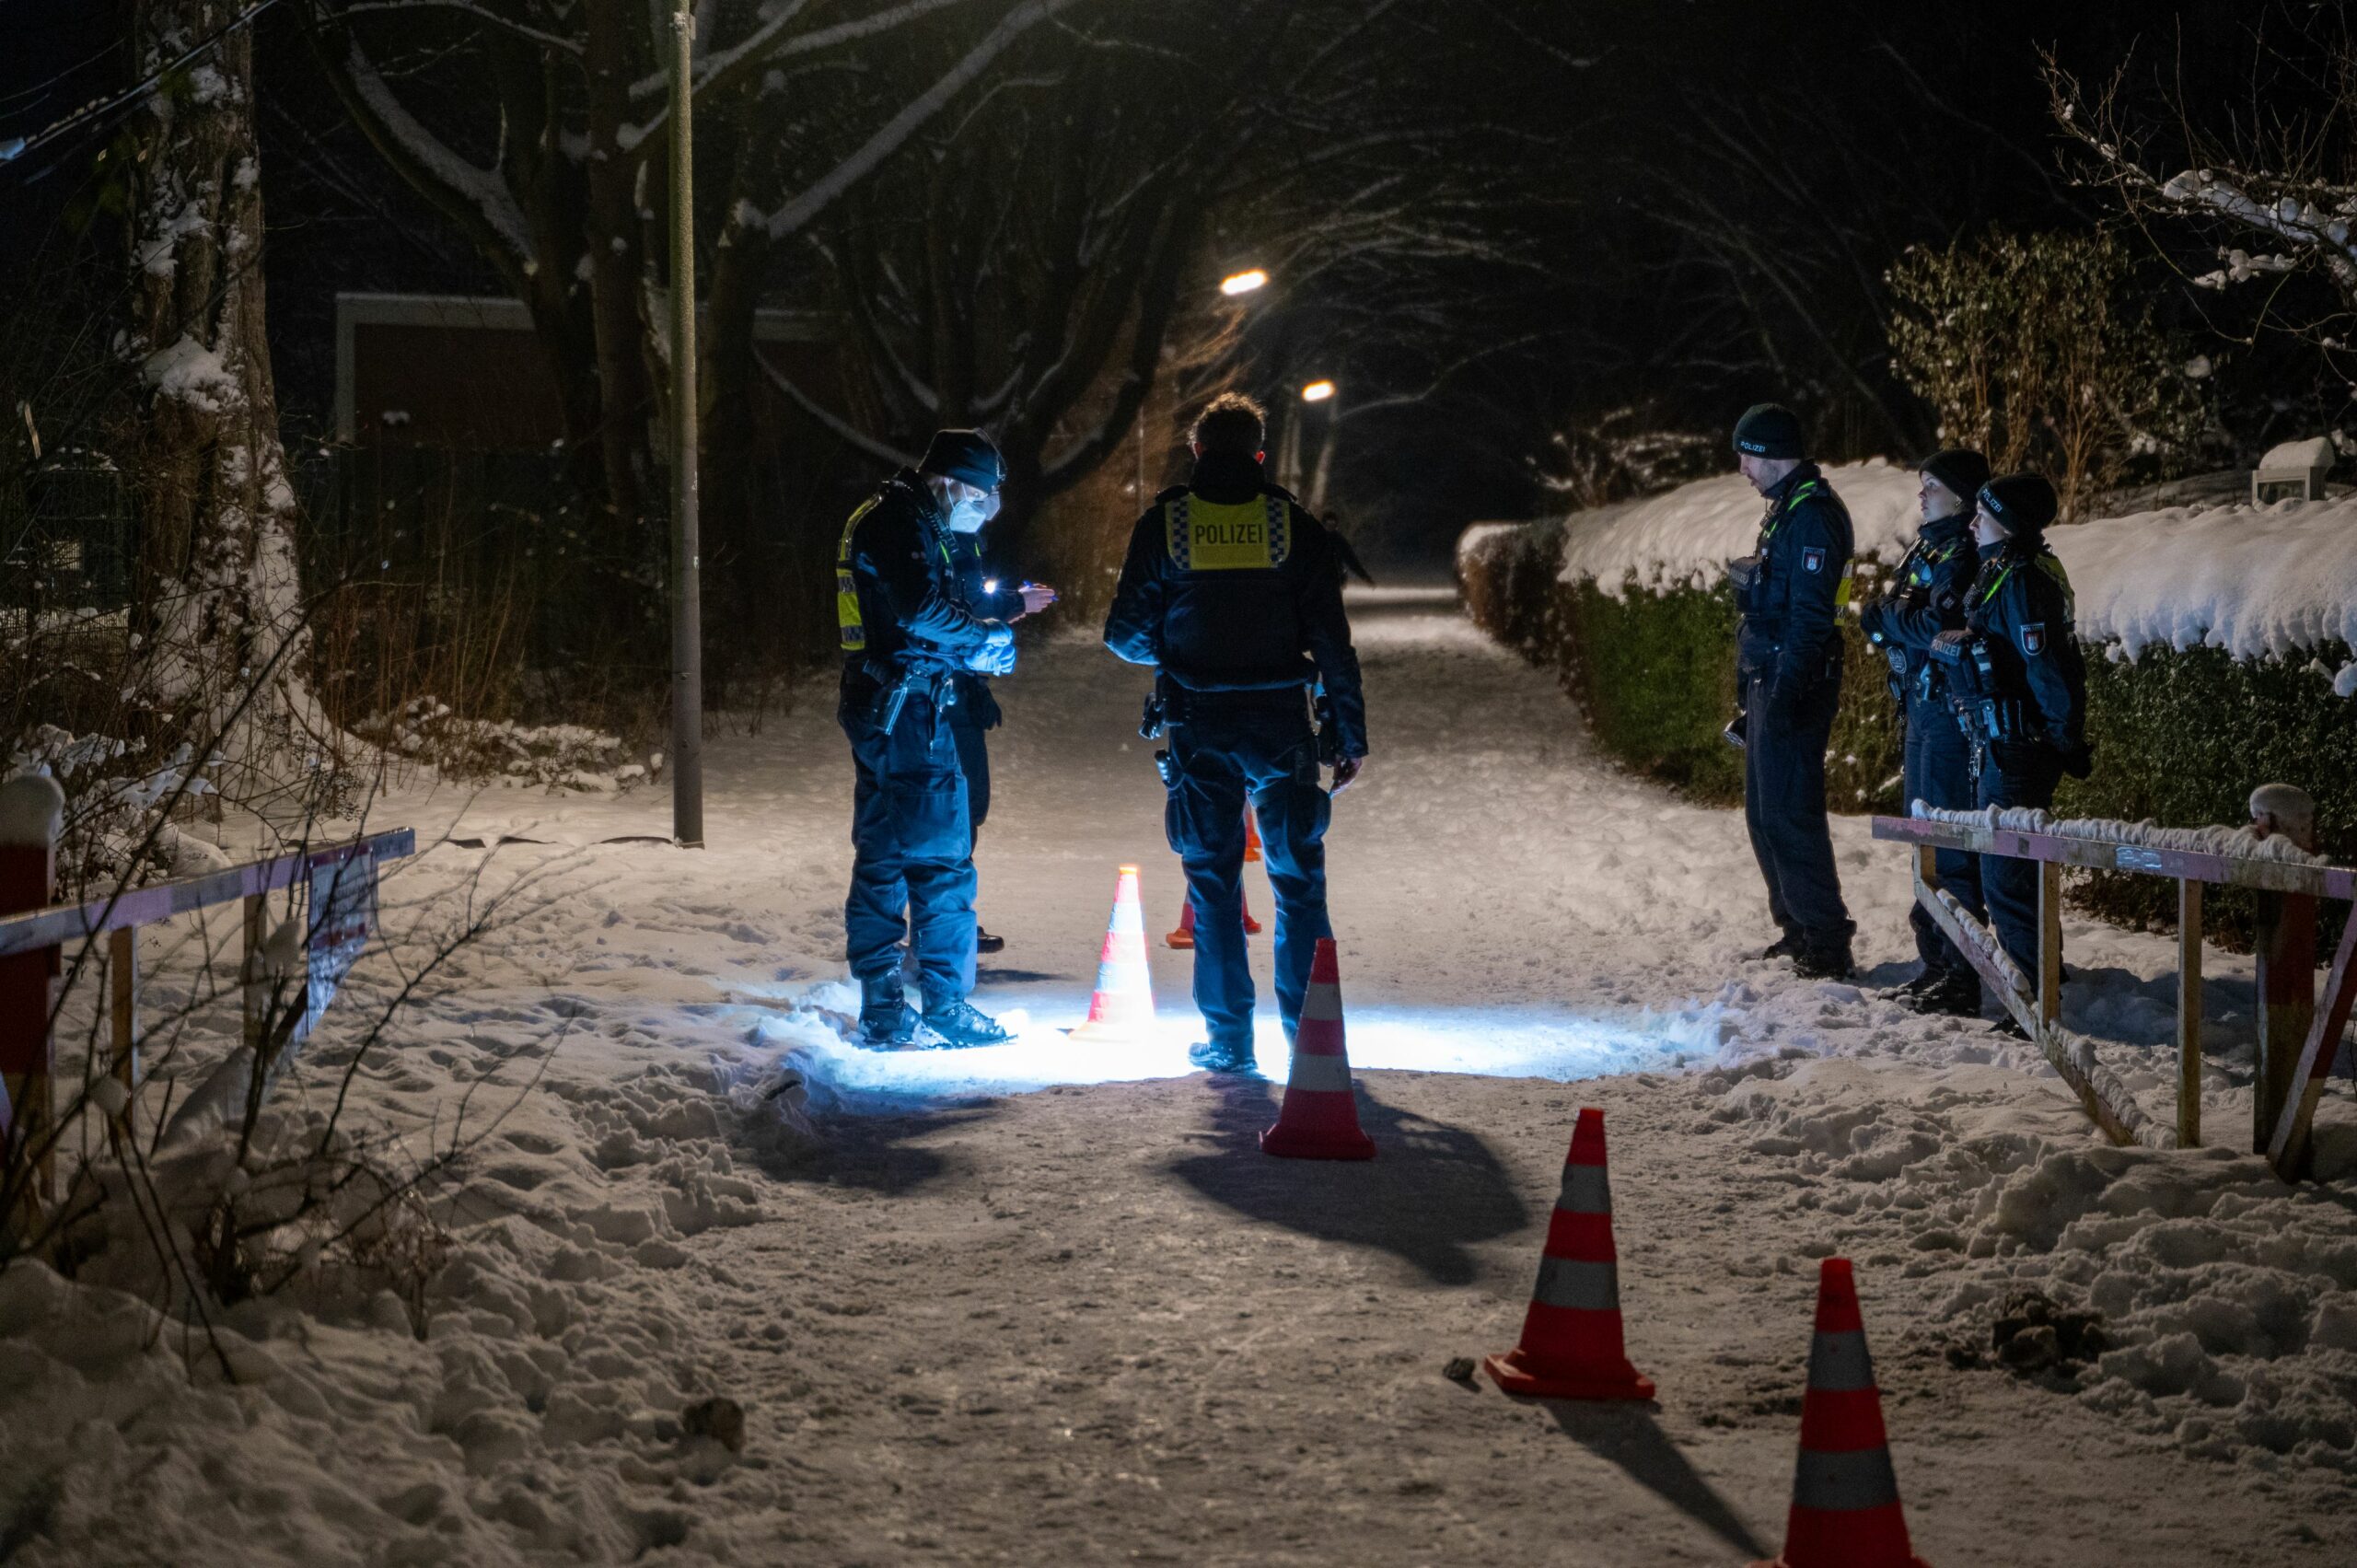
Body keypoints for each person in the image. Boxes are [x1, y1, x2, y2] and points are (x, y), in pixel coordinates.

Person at [1103, 392, 1368, 1074]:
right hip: (1283, 724)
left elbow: (1124, 634)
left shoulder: (1166, 526)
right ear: (1259, 455)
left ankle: (1228, 1040)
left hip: (1200, 725)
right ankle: (1309, 1040)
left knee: (1213, 885)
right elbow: (1331, 641)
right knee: (1298, 883)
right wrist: (1350, 731)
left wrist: (1177, 653)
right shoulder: (1293, 526)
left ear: (1196, 452)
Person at [835, 429, 1020, 1049]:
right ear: (948, 481)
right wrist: (982, 637)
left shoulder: (894, 515)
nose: (982, 509)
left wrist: (965, 649)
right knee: (942, 858)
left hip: (884, 703)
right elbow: (917, 611)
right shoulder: (900, 520)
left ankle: (883, 1004)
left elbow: (903, 620)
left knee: (884, 854)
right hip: (909, 709)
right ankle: (945, 1001)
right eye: (979, 496)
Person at [1932, 471, 2092, 1030]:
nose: (1972, 523)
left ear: (2008, 523)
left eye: (1984, 515)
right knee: (2008, 870)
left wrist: (2062, 738)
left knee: (2009, 876)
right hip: (1999, 742)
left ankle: (2033, 1001)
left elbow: (2047, 668)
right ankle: (2038, 980)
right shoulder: (2003, 569)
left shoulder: (2021, 580)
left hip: (2016, 748)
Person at [1728, 402, 1856, 979]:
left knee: (1790, 813)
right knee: (1764, 813)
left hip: (1795, 680)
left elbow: (1810, 619)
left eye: (1746, 456)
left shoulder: (1813, 517)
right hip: (1770, 675)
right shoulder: (1785, 510)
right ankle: (1798, 928)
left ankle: (1826, 940)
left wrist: (1786, 693)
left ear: (1772, 454)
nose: (1742, 469)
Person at [1859, 448, 1989, 1015]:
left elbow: (1938, 622)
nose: (1922, 494)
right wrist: (1892, 621)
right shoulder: (1929, 545)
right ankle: (1935, 962)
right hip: (1918, 705)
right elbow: (1906, 615)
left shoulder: (1963, 550)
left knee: (1946, 840)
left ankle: (1960, 973)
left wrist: (1886, 619)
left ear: (1960, 496)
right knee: (1923, 838)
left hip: (1946, 712)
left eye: (1932, 485)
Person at [947, 531, 1057, 954]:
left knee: (962, 812)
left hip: (957, 693)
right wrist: (1014, 605)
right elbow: (959, 608)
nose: (985, 504)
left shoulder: (955, 533)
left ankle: (947, 923)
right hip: (945, 698)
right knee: (957, 813)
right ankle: (946, 927)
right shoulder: (941, 532)